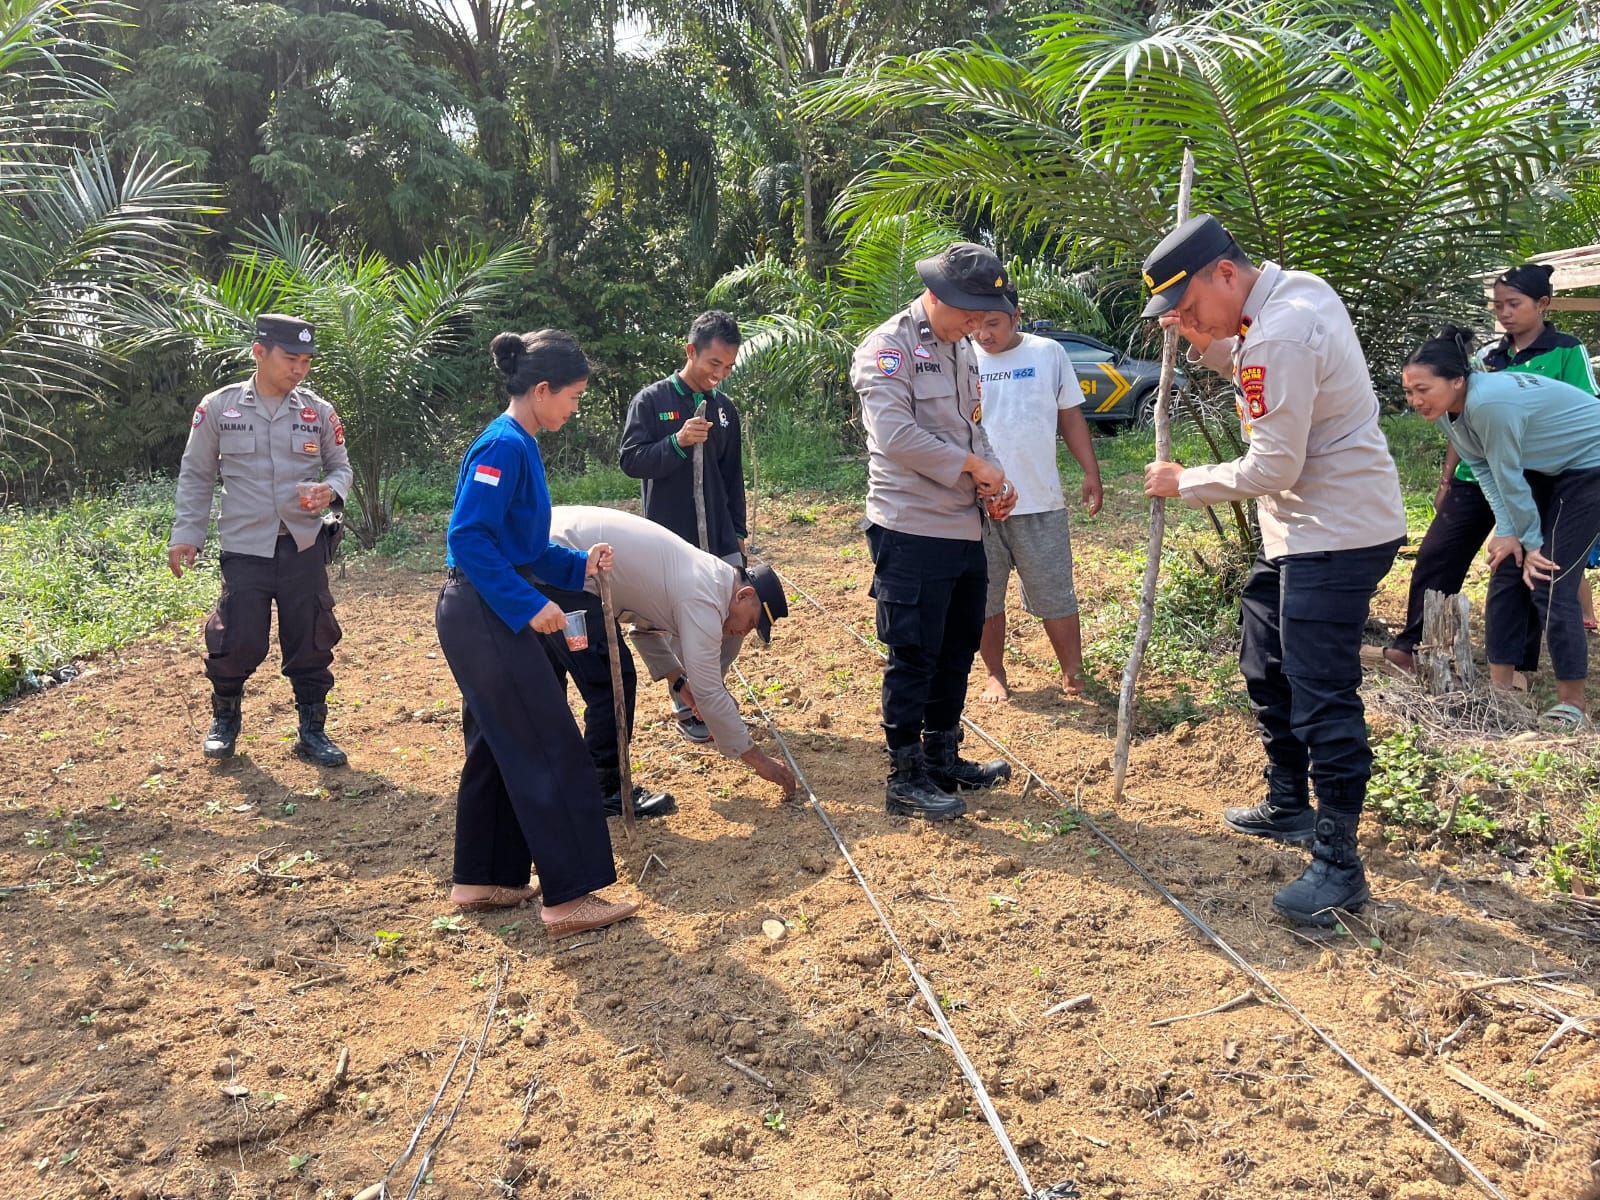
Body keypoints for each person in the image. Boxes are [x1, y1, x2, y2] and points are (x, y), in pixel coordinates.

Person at [1141, 214, 1407, 927]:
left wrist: (1182, 479)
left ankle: (1339, 863)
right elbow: (1266, 366)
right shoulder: (1291, 296)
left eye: (1192, 308)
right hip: (1302, 529)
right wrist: (1207, 341)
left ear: (1226, 274)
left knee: (1321, 689)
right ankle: (1290, 800)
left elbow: (1273, 465)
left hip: (1334, 530)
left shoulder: (1279, 333)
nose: (1192, 322)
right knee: (1266, 659)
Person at [434, 328, 637, 937]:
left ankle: (483, 877)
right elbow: (468, 539)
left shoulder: (519, 444)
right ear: (542, 389)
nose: (574, 410)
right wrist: (527, 606)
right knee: (551, 743)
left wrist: (578, 567)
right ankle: (570, 897)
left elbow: (517, 545)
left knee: (499, 743)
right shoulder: (503, 446)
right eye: (573, 397)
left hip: (485, 607)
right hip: (485, 612)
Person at [850, 241, 1019, 821]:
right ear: (937, 295)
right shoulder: (888, 347)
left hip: (964, 527)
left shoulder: (963, 349)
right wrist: (974, 468)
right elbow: (894, 437)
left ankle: (944, 755)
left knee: (957, 647)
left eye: (983, 316)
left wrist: (995, 479)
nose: (977, 325)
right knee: (913, 652)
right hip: (912, 527)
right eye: (969, 312)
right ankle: (905, 775)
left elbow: (974, 429)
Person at [1386, 263, 1598, 671]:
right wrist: (1449, 478)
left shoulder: (1566, 349)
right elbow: (1467, 436)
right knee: (1441, 554)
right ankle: (1417, 645)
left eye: (1513, 303)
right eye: (1497, 305)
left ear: (1542, 304)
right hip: (1486, 474)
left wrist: (1527, 537)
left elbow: (1581, 408)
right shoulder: (1480, 358)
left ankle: (1518, 668)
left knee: (1524, 566)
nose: (1504, 312)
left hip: (1547, 469)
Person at [168, 314, 353, 768]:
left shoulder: (319, 412)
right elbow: (197, 473)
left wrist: (330, 490)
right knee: (238, 638)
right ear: (259, 353)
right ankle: (225, 719)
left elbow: (341, 467)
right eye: (291, 358)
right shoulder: (218, 408)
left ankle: (313, 731)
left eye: (306, 361)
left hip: (303, 545)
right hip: (245, 546)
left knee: (311, 639)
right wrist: (186, 534)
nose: (299, 369)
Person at [1401, 326, 1600, 728]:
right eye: (1408, 391)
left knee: (1549, 577)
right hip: (1552, 466)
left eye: (1423, 389)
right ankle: (1500, 691)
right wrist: (1511, 535)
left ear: (1457, 379)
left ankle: (1574, 705)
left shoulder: (1490, 403)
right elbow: (1484, 471)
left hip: (1590, 465)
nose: (1415, 400)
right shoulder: (1448, 411)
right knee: (1509, 567)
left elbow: (1508, 474)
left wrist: (1530, 542)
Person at [538, 505, 798, 805]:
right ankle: (605, 789)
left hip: (548, 547)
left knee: (548, 681)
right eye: (751, 623)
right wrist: (759, 759)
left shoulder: (708, 577)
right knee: (611, 680)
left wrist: (678, 682)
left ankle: (551, 780)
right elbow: (710, 691)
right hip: (564, 561)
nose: (744, 632)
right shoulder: (705, 594)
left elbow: (643, 630)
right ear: (745, 595)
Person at [620, 310, 748, 745]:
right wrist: (677, 442)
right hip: (669, 538)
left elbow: (733, 476)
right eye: (714, 364)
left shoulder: (725, 410)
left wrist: (740, 531)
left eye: (728, 368)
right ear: (691, 351)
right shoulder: (652, 401)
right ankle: (689, 701)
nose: (720, 375)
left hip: (721, 538)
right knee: (671, 626)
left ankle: (705, 689)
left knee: (736, 622)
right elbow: (631, 460)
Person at [971, 284, 1104, 703]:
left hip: (1039, 499)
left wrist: (1091, 471)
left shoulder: (1048, 354)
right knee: (985, 595)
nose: (984, 334)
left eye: (993, 323)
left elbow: (1070, 416)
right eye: (977, 324)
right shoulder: (962, 358)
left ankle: (1073, 672)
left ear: (1017, 316)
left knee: (1055, 592)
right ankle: (995, 672)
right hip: (977, 506)